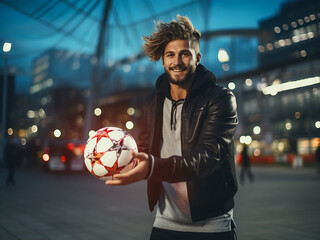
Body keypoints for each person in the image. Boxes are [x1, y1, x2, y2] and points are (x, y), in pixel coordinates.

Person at [106, 15, 238, 240]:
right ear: (163, 60)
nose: (177, 61)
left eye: (185, 54)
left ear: (198, 57)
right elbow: (145, 147)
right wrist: (117, 157)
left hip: (213, 224)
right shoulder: (152, 102)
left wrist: (152, 168)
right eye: (170, 54)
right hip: (165, 221)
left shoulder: (220, 99)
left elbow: (207, 156)